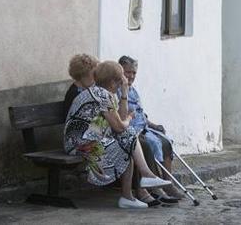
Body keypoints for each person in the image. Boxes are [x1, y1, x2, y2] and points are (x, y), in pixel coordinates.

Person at [63, 60, 172, 209]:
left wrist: (124, 95)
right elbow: (120, 126)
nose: (125, 80)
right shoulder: (100, 94)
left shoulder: (108, 94)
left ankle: (132, 192)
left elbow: (119, 121)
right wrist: (128, 119)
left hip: (92, 137)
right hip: (78, 143)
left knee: (127, 140)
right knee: (126, 136)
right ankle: (143, 178)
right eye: (122, 78)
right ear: (114, 82)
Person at [117, 55, 183, 204]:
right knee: (146, 146)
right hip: (129, 130)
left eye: (134, 73)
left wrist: (152, 125)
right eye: (128, 72)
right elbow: (122, 116)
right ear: (120, 72)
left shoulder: (133, 90)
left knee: (165, 142)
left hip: (142, 127)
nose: (131, 76)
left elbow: (140, 113)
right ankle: (150, 188)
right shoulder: (119, 90)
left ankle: (168, 183)